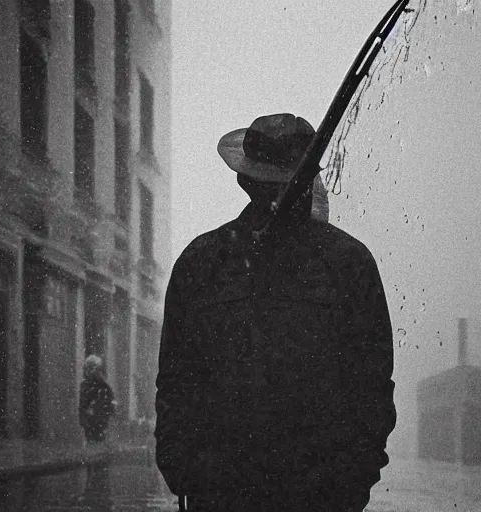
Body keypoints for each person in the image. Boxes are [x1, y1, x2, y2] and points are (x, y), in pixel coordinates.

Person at [155, 113, 396, 511]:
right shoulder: (347, 261)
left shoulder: (203, 260)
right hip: (235, 491)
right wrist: (182, 468)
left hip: (294, 493)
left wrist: (353, 478)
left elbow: (371, 385)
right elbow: (177, 379)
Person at [79, 355, 116, 443]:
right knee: (91, 440)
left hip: (99, 421)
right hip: (89, 421)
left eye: (92, 368)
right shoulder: (85, 385)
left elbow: (109, 402)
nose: (89, 371)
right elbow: (82, 403)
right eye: (88, 368)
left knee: (98, 441)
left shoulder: (103, 386)